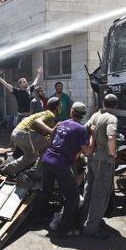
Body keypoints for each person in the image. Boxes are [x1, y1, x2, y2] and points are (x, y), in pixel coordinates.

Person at [40, 102, 92, 237]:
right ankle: (64, 230)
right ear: (83, 115)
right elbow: (86, 152)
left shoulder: (61, 123)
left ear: (71, 111)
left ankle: (40, 219)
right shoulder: (81, 130)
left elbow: (52, 140)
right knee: (73, 198)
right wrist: (92, 136)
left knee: (46, 191)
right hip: (60, 164)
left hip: (47, 159)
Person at [81, 94, 118, 237]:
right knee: (100, 195)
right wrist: (112, 153)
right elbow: (111, 137)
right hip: (103, 161)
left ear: (103, 103)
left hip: (92, 159)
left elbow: (84, 129)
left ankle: (84, 220)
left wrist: (88, 147)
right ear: (116, 105)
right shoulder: (111, 118)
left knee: (89, 190)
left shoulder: (96, 115)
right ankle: (91, 228)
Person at [0, 97, 61, 176]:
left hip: (17, 134)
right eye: (60, 105)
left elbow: (40, 133)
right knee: (48, 148)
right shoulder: (50, 114)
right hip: (24, 133)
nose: (61, 107)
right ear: (56, 106)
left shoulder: (45, 114)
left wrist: (49, 134)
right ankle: (37, 173)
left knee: (32, 156)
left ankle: (7, 170)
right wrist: (51, 130)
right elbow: (37, 121)